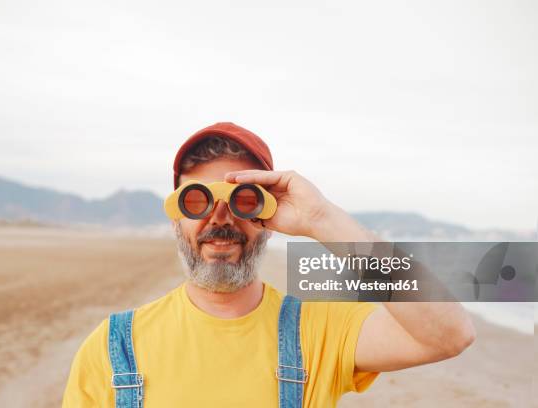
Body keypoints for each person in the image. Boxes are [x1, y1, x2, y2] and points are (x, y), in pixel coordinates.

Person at [62, 122, 475, 407]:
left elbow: (450, 333)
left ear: (270, 221)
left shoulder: (318, 332)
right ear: (176, 219)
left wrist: (320, 219)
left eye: (243, 201)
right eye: (197, 201)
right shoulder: (113, 346)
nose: (219, 218)